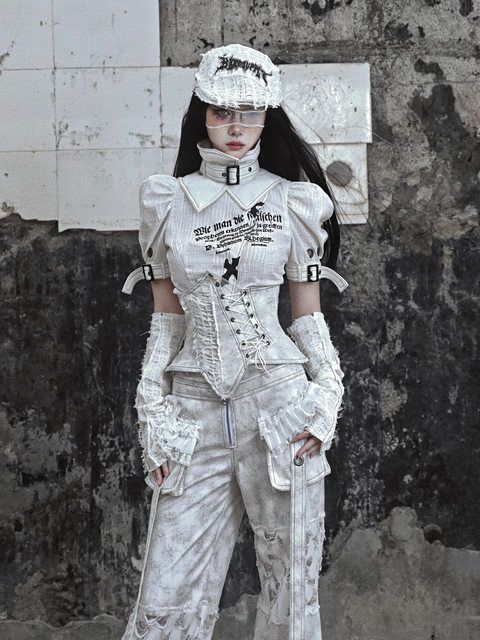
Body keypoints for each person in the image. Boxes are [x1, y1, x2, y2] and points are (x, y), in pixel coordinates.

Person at [121, 44, 348, 640]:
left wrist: (326, 396)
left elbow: (306, 314)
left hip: (278, 405)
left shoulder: (294, 201)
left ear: (267, 117)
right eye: (222, 112)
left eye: (250, 113)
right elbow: (166, 320)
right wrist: (151, 409)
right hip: (192, 409)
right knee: (164, 598)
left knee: (291, 592)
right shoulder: (166, 201)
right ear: (203, 114)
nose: (236, 126)